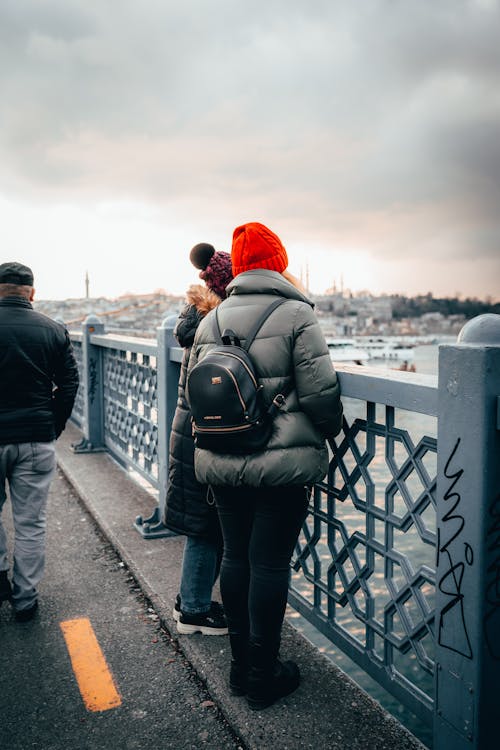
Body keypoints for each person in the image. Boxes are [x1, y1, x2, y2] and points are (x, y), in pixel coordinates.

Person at [186, 222, 343, 709]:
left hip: (222, 457)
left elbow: (189, 394)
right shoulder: (296, 312)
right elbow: (320, 394)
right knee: (269, 562)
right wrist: (330, 428)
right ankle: (263, 674)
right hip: (280, 464)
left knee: (234, 557)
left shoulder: (211, 318)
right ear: (278, 262)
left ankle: (238, 669)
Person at [0, 262, 79, 622]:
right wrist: (53, 426)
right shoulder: (53, 330)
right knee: (31, 523)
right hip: (35, 437)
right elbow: (69, 385)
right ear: (32, 293)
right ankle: (25, 599)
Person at [164, 243, 233, 635]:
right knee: (208, 528)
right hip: (207, 435)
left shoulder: (194, 322)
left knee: (203, 525)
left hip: (187, 431)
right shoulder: (219, 325)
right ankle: (194, 609)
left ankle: (192, 598)